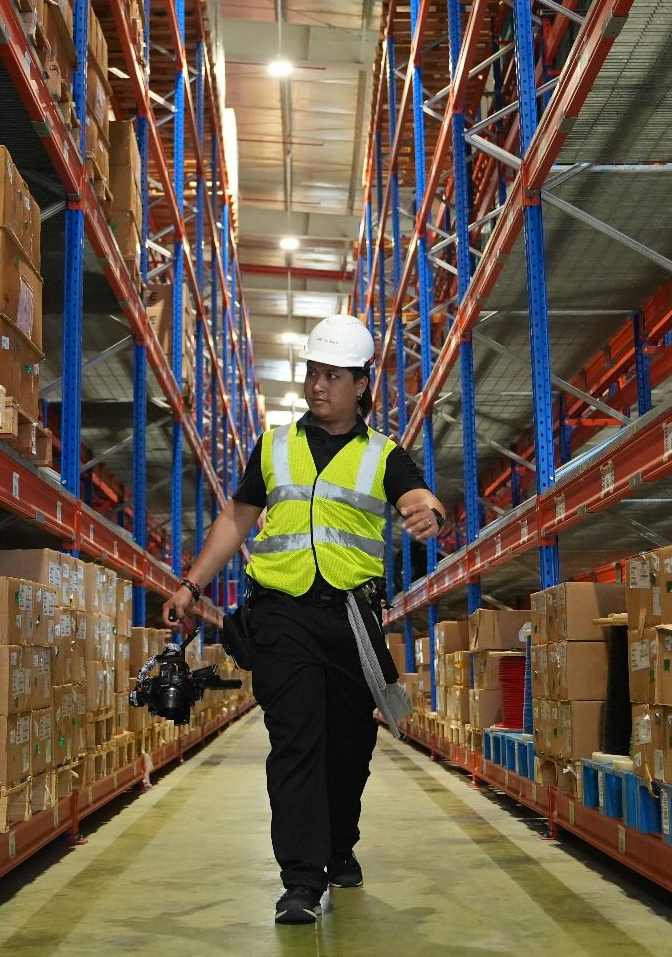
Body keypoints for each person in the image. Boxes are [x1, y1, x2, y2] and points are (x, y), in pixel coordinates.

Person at [163, 314, 448, 925]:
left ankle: (339, 843)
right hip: (282, 614)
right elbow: (236, 520)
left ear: (361, 384)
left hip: (350, 618)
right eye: (312, 373)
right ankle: (300, 880)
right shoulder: (272, 447)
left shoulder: (383, 455)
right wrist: (191, 584)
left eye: (332, 376)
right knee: (295, 743)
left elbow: (416, 497)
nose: (318, 386)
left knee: (350, 746)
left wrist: (428, 511)